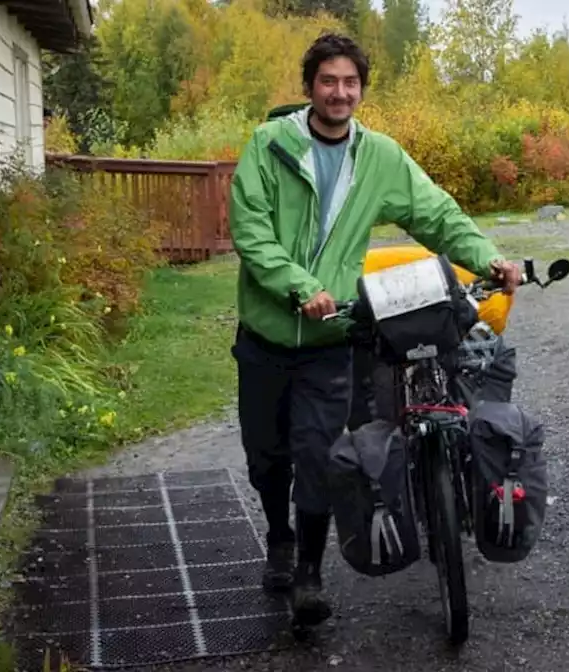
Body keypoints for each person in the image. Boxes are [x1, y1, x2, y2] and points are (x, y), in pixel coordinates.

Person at [227, 32, 522, 629]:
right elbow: (251, 229)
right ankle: (278, 536)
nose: (340, 93)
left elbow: (435, 213)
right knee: (267, 455)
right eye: (329, 81)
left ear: (362, 89)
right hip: (265, 336)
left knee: (315, 455)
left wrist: (488, 257)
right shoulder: (268, 146)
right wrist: (298, 285)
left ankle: (307, 573)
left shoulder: (380, 157)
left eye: (350, 83)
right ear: (310, 86)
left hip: (333, 341)